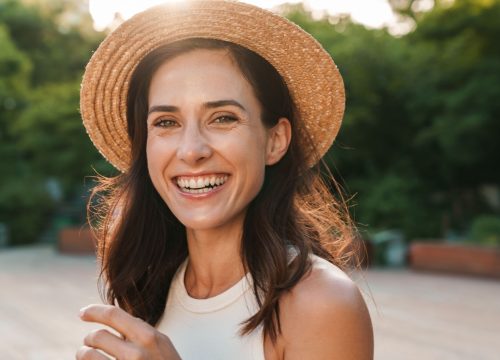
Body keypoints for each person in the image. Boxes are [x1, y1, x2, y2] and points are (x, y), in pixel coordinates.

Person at [77, 1, 374, 359]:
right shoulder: (147, 286)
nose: (191, 151)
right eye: (166, 122)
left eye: (222, 118)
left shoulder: (322, 302)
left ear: (275, 140)